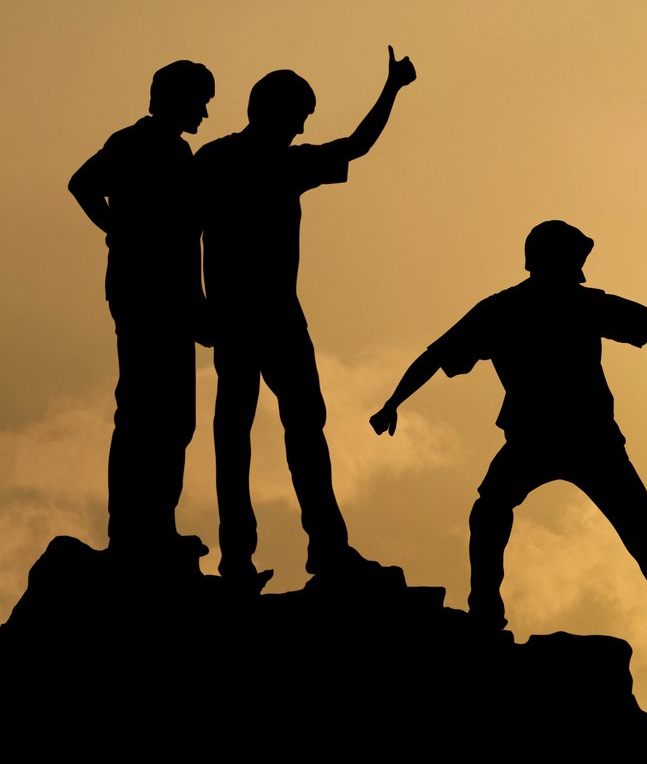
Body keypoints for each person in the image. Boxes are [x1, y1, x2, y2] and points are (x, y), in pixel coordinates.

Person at [369, 220, 647, 715]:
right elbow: (437, 354)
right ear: (557, 260)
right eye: (576, 258)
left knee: (642, 552)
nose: (581, 268)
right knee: (499, 511)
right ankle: (486, 617)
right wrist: (394, 401)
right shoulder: (544, 306)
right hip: (559, 440)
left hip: (581, 442)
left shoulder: (520, 307)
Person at [197, 47, 417, 591]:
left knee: (276, 429)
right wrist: (391, 89)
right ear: (274, 110)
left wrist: (391, 90)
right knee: (246, 432)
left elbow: (354, 146)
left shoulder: (233, 159)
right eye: (299, 116)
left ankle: (305, 550)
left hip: (266, 318)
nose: (301, 128)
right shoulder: (238, 162)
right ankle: (255, 557)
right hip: (249, 318)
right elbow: (357, 145)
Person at [67, 60, 217, 568]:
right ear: (174, 98)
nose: (205, 111)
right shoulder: (134, 142)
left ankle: (157, 525)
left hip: (174, 296)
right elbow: (82, 183)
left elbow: (186, 238)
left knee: (173, 418)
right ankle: (133, 532)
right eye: (200, 100)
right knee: (142, 412)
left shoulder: (179, 152)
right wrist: (117, 231)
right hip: (144, 294)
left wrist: (196, 305)